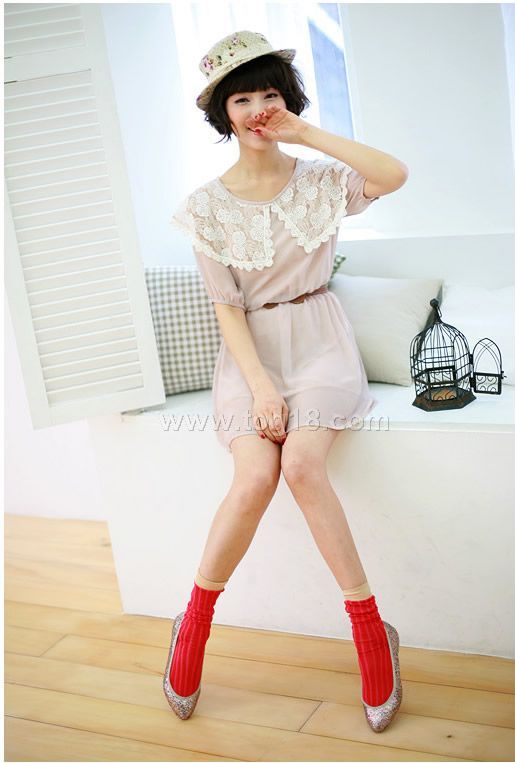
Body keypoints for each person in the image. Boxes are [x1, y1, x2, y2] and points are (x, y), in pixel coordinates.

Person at [163, 30, 408, 732]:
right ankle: (193, 624)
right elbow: (226, 307)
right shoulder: (206, 206)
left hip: (321, 343)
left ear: (288, 100)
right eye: (241, 99)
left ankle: (370, 629)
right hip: (250, 355)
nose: (257, 110)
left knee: (301, 466)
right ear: (223, 113)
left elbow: (392, 174)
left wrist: (306, 132)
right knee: (254, 478)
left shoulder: (321, 182)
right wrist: (263, 388)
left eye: (270, 94)